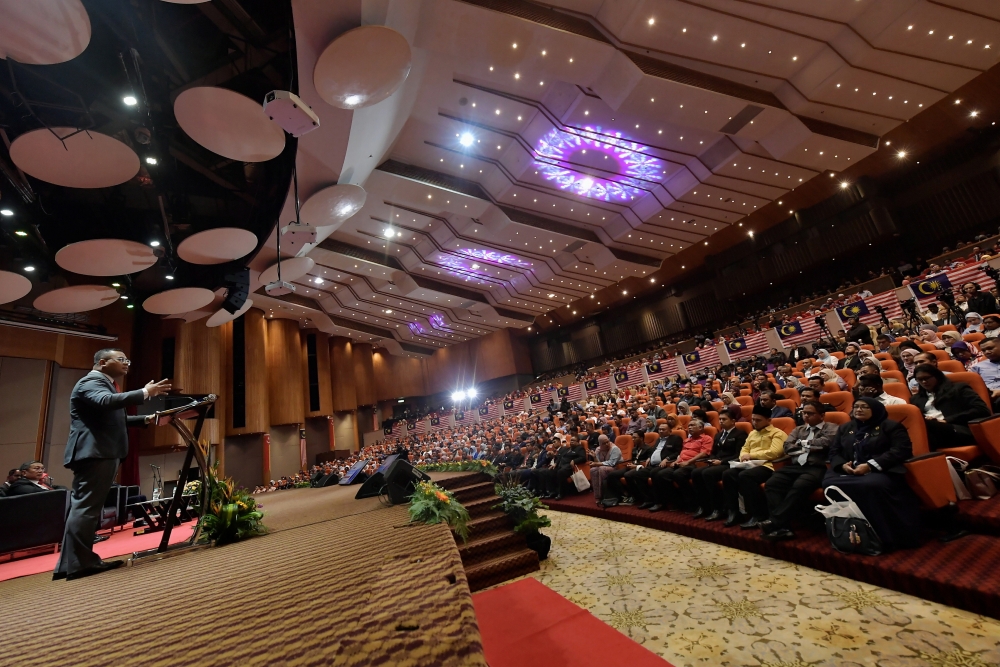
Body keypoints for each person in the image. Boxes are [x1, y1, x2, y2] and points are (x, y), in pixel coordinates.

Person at [54, 349, 171, 581]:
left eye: (128, 359)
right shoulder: (91, 381)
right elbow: (106, 402)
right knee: (86, 508)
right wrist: (145, 392)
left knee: (85, 507)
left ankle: (70, 564)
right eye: (121, 359)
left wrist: (145, 419)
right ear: (102, 362)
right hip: (96, 453)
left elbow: (114, 416)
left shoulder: (104, 383)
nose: (126, 363)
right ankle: (80, 564)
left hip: (99, 452)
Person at [822, 398, 921, 551]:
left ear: (876, 409)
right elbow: (834, 452)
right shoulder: (846, 428)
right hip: (850, 471)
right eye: (856, 407)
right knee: (830, 484)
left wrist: (869, 465)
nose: (859, 410)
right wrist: (842, 465)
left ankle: (883, 536)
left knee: (869, 484)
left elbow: (901, 450)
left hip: (882, 470)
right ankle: (849, 534)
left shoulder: (891, 426)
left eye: (864, 407)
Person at [762, 401, 839, 540]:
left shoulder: (832, 427)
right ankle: (783, 527)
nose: (806, 416)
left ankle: (775, 522)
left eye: (810, 413)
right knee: (772, 483)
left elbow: (826, 442)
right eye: (804, 413)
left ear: (822, 415)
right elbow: (787, 447)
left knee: (800, 486)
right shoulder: (799, 429)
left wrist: (801, 444)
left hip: (818, 467)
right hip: (795, 466)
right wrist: (809, 447)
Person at [722, 405, 787, 529]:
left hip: (768, 465)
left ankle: (758, 515)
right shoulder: (752, 433)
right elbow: (744, 449)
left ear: (769, 420)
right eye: (753, 419)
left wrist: (751, 456)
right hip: (750, 464)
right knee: (728, 474)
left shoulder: (778, 433)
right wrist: (743, 456)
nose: (754, 422)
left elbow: (775, 452)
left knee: (745, 476)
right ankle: (734, 512)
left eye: (758, 420)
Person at [910, 364, 990, 451]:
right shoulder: (916, 399)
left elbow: (981, 410)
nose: (924, 382)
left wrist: (947, 420)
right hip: (933, 432)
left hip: (958, 429)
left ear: (937, 376)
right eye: (920, 379)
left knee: (924, 426)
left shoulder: (958, 389)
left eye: (927, 378)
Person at [650, 418, 714, 512]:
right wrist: (676, 461)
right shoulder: (687, 440)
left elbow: (704, 453)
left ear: (700, 428)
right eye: (689, 426)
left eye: (692, 425)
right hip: (681, 463)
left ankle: (692, 503)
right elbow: (682, 453)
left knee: (678, 474)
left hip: (695, 464)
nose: (689, 428)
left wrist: (688, 462)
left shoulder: (706, 438)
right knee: (661, 474)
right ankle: (677, 501)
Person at [693, 411, 747, 520]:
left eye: (724, 419)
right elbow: (713, 452)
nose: (721, 421)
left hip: (729, 463)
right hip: (716, 463)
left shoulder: (740, 434)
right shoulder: (718, 434)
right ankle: (704, 506)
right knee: (695, 473)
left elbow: (738, 454)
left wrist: (721, 462)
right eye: (720, 419)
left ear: (733, 421)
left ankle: (718, 508)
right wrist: (711, 459)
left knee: (707, 473)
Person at [626, 423, 682, 509]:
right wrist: (649, 457)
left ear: (670, 431)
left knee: (654, 473)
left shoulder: (675, 438)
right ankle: (648, 500)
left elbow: (678, 452)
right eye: (659, 429)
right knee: (638, 474)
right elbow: (654, 451)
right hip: (653, 465)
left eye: (663, 429)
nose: (661, 431)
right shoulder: (658, 440)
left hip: (665, 465)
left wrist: (667, 458)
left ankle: (659, 502)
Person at [588, 434, 622, 504]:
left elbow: (612, 463)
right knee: (593, 470)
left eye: (607, 442)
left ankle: (604, 495)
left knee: (602, 469)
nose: (607, 444)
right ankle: (597, 496)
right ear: (600, 444)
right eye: (604, 443)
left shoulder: (614, 449)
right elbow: (598, 463)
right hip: (603, 467)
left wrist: (596, 464)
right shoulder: (598, 449)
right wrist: (594, 457)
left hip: (617, 468)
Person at [972, 337, 1000, 411]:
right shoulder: (977, 367)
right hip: (986, 395)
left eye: (990, 348)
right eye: (983, 350)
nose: (987, 352)